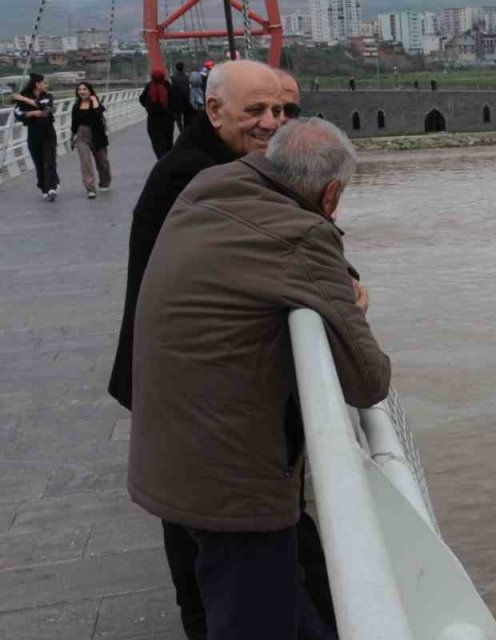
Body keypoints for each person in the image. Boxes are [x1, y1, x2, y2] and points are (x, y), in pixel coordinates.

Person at [130, 117, 388, 640]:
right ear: (331, 195)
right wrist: (351, 305)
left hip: (173, 451)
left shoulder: (211, 185)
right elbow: (368, 381)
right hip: (233, 485)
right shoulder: (301, 234)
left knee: (292, 610)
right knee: (254, 620)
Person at [108, 59, 293, 638]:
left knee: (190, 517)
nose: (272, 122)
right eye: (256, 110)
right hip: (183, 381)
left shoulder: (211, 163)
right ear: (213, 111)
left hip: (178, 376)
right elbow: (272, 251)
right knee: (195, 528)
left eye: (281, 110)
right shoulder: (194, 176)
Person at [12, 73, 60, 201]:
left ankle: (52, 187)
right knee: (39, 161)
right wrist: (32, 113)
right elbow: (18, 113)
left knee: (49, 160)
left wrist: (24, 99)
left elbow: (45, 108)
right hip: (33, 132)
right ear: (37, 84)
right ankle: (44, 187)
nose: (46, 85)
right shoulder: (24, 98)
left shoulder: (48, 96)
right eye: (44, 83)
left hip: (48, 132)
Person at [70, 82, 112, 199]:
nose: (82, 91)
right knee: (85, 162)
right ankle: (90, 188)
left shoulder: (96, 104)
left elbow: (99, 113)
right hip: (81, 135)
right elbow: (74, 124)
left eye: (85, 89)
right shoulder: (76, 107)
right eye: (79, 89)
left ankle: (105, 182)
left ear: (90, 91)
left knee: (102, 161)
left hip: (97, 135)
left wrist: (94, 100)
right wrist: (72, 137)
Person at [140, 69, 176, 158]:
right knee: (168, 143)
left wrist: (148, 107)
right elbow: (174, 101)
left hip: (153, 121)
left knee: (158, 145)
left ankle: (161, 160)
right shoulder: (167, 85)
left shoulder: (149, 86)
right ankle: (168, 160)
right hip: (167, 120)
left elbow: (141, 99)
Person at [171, 62, 192, 131]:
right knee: (186, 116)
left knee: (178, 117)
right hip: (186, 99)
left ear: (176, 68)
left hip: (177, 100)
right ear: (183, 68)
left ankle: (181, 130)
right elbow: (188, 88)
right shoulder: (186, 77)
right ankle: (186, 129)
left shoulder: (173, 78)